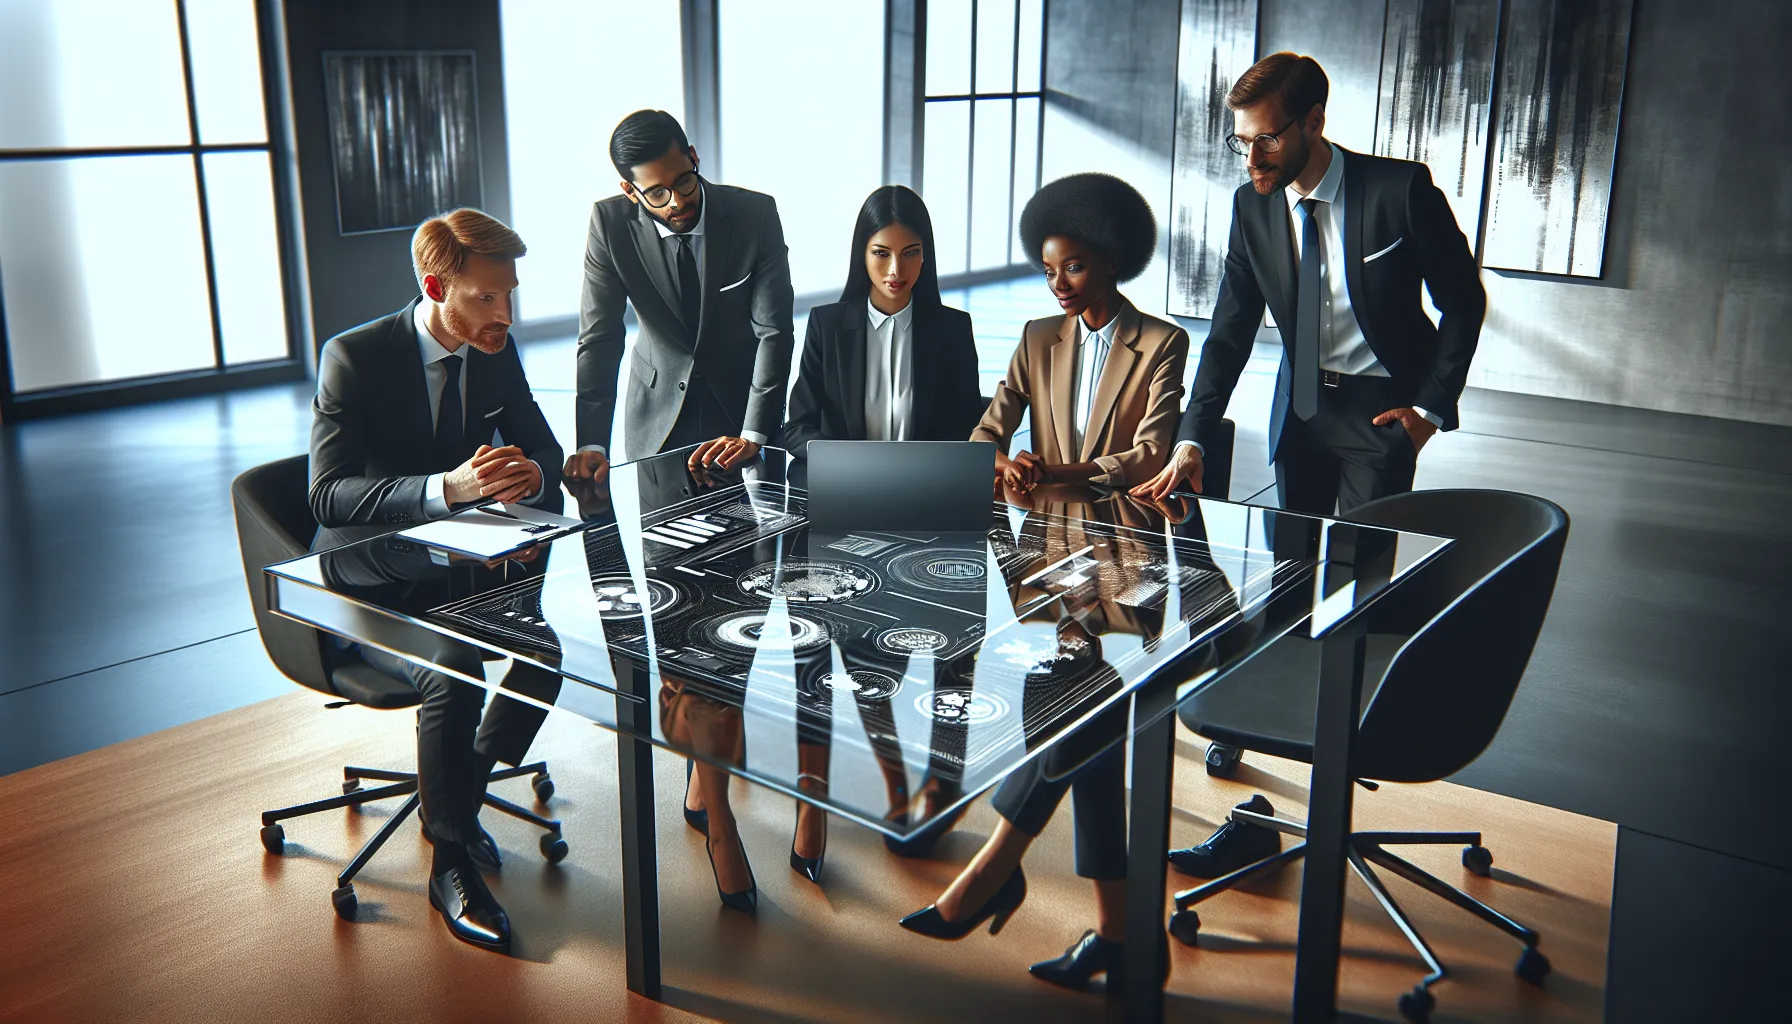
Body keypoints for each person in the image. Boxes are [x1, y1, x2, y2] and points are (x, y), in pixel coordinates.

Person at [1131, 53, 1485, 879]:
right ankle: (1276, 728)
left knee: (1362, 591)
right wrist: (1190, 438)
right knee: (1292, 586)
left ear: (1313, 121)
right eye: (1238, 142)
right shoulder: (1249, 208)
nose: (1251, 159)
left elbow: (1461, 298)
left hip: (1380, 416)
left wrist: (1428, 411)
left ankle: (1338, 756)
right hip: (1299, 413)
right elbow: (1225, 333)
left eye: (1266, 141)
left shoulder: (1399, 192)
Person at [308, 208, 564, 954]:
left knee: (546, 644)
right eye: (487, 298)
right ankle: (449, 862)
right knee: (453, 667)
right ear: (435, 286)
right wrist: (446, 489)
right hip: (361, 584)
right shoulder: (354, 357)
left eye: (510, 294)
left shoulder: (494, 349)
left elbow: (541, 445)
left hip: (448, 568)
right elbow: (327, 497)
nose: (505, 315)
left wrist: (532, 472)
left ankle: (454, 798)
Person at [900, 486, 1169, 991]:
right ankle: (1121, 935)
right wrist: (1010, 468)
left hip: (1152, 569)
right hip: (1072, 552)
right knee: (1090, 706)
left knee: (1081, 691)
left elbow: (1150, 457)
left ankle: (996, 870)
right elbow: (994, 428)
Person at [564, 109, 795, 484]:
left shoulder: (756, 215)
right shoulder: (609, 225)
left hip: (741, 416)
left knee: (752, 540)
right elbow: (599, 338)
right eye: (656, 192)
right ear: (629, 190)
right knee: (661, 543)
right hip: (655, 423)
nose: (676, 201)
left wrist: (755, 432)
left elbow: (775, 331)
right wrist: (592, 443)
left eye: (684, 181)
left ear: (693, 156)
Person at [970, 173, 1188, 493]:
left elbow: (1150, 456)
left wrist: (1052, 473)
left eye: (1073, 268)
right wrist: (1008, 465)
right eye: (1049, 271)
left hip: (1122, 523)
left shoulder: (1163, 342)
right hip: (1046, 523)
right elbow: (986, 432)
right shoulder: (1037, 337)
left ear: (1112, 261)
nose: (1058, 285)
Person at [782, 185, 986, 455]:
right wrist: (849, 463)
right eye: (881, 253)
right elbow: (797, 428)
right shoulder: (826, 326)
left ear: (925, 255)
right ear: (862, 255)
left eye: (910, 252)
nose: (895, 270)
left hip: (926, 490)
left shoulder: (953, 330)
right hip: (845, 487)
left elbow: (968, 427)